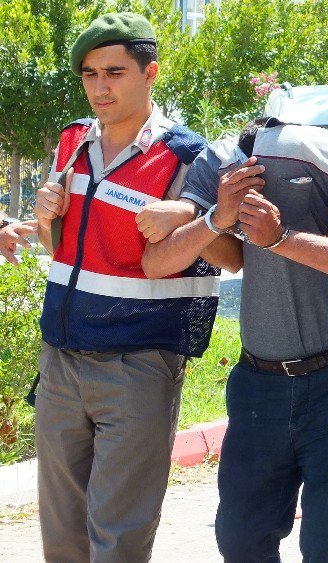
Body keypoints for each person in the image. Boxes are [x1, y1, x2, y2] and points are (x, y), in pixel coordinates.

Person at [141, 117, 328, 561]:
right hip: (259, 385)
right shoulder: (217, 164)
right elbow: (166, 261)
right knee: (240, 539)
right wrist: (217, 218)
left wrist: (280, 239)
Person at [29, 13, 217, 561]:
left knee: (117, 537)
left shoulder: (187, 156)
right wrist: (46, 219)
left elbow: (223, 256)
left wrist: (188, 210)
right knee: (61, 535)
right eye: (89, 74)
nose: (100, 87)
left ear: (150, 72)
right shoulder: (71, 143)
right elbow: (58, 250)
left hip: (138, 364)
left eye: (114, 72)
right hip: (61, 358)